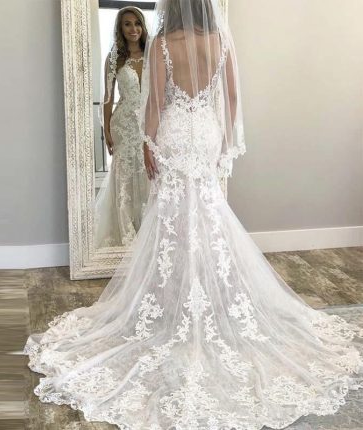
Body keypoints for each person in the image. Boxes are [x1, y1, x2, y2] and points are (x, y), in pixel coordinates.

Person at [24, 1, 363, 428]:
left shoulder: (165, 43)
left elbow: (155, 103)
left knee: (172, 218)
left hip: (174, 133)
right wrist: (224, 144)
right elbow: (232, 97)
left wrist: (148, 144)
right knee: (208, 212)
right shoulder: (221, 40)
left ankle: (177, 300)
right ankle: (206, 296)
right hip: (205, 133)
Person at [94, 6, 151, 248]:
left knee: (148, 173)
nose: (133, 29)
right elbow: (108, 98)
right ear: (120, 28)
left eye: (137, 23)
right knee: (125, 175)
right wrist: (106, 130)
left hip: (149, 122)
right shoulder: (114, 58)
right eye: (127, 24)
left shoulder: (153, 54)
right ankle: (125, 228)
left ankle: (147, 228)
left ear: (143, 26)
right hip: (124, 124)